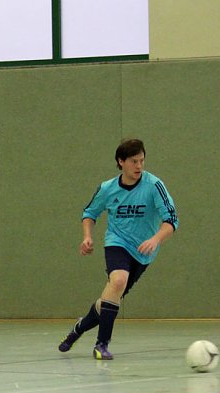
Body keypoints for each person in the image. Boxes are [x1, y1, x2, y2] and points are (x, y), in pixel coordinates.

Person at [59, 138, 178, 360]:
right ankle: (101, 345)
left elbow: (171, 220)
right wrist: (87, 237)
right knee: (118, 281)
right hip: (117, 242)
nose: (139, 166)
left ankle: (78, 328)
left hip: (143, 252)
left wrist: (156, 239)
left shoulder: (154, 186)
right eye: (134, 161)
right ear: (121, 162)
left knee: (109, 299)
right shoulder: (107, 188)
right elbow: (89, 213)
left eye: (142, 160)